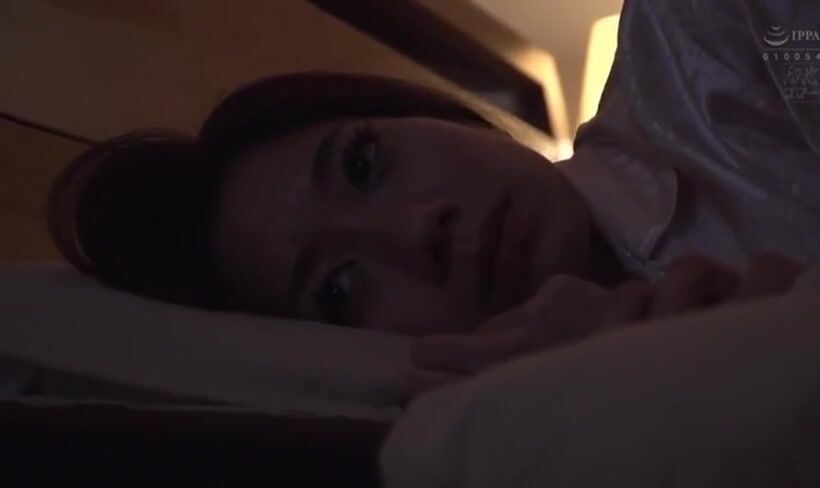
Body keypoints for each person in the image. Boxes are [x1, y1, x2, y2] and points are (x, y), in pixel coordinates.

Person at [48, 0, 820, 400]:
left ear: (434, 113)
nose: (418, 230)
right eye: (340, 288)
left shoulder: (708, 34)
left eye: (363, 163)